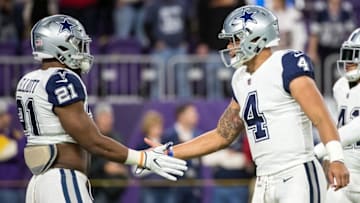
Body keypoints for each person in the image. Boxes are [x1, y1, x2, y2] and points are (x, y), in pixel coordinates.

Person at [144, 5, 350, 203]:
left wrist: (336, 158)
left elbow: (321, 116)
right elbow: (222, 135)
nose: (229, 47)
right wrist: (169, 152)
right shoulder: (240, 78)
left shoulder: (286, 63)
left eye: (234, 40)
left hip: (296, 173)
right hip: (263, 179)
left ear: (256, 37)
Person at [15, 14, 187, 203]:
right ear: (60, 45)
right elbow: (92, 141)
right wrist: (142, 158)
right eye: (77, 43)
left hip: (38, 183)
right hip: (62, 179)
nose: (82, 50)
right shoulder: (62, 79)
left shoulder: (29, 79)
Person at [314, 28, 360, 203]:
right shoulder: (340, 86)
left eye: (355, 55)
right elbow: (337, 126)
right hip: (346, 173)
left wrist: (320, 150)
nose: (348, 61)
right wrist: (330, 156)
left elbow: (357, 129)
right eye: (347, 54)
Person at [88, 102, 129, 203]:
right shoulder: (90, 140)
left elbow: (126, 163)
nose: (108, 121)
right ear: (97, 120)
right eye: (104, 117)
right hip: (96, 191)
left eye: (109, 117)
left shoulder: (117, 139)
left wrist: (122, 170)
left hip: (116, 191)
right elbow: (87, 167)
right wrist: (104, 166)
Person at [136, 110, 176, 203]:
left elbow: (173, 164)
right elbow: (136, 170)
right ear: (147, 127)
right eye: (154, 126)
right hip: (149, 187)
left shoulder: (167, 144)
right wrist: (154, 166)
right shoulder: (142, 146)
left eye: (159, 126)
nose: (158, 129)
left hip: (167, 187)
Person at [0, 100, 31, 203]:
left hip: (19, 185)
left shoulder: (10, 134)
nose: (8, 117)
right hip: (6, 188)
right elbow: (9, 152)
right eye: (3, 115)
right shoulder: (10, 137)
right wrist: (23, 140)